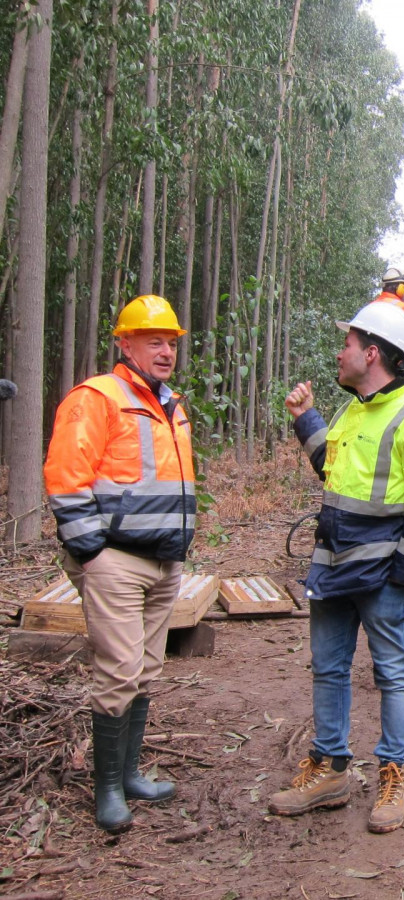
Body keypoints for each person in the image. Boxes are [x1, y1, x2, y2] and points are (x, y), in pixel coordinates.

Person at [268, 301, 404, 834]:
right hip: (332, 567)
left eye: (346, 343)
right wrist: (306, 420)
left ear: (371, 353)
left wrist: (402, 579)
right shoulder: (354, 410)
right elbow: (334, 470)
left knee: (393, 673)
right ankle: (329, 770)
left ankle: (396, 772)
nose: (339, 351)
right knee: (327, 669)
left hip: (381, 577)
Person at [43, 294, 195, 833]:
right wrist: (93, 553)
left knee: (147, 669)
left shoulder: (170, 403)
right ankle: (106, 790)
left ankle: (128, 774)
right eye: (154, 341)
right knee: (118, 672)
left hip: (163, 562)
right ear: (124, 342)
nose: (165, 351)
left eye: (171, 342)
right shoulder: (97, 397)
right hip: (116, 562)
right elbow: (66, 478)